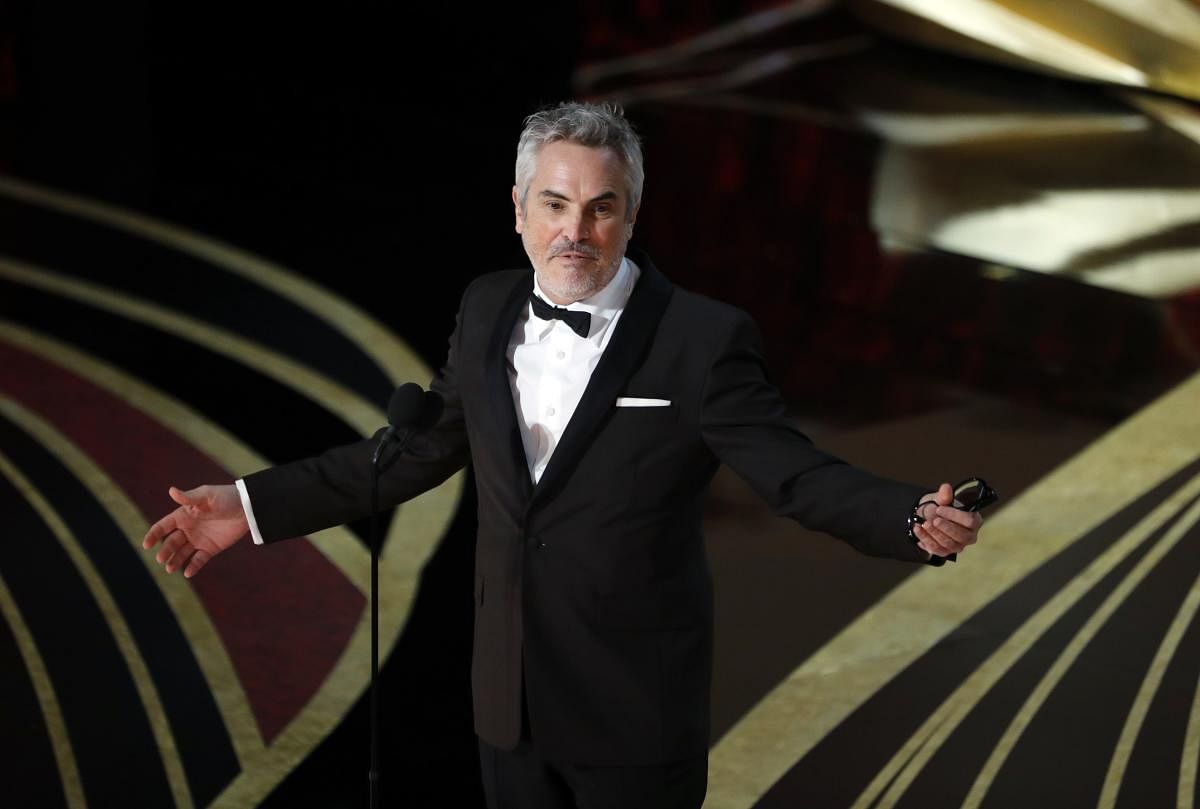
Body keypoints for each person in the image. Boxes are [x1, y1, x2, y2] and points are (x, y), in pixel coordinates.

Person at [142, 101, 983, 809]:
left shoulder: (701, 340)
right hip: (507, 706)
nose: (573, 231)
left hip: (635, 712)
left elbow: (792, 473)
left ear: (631, 215)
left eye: (600, 208)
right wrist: (248, 507)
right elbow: (409, 455)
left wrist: (909, 518)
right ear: (518, 208)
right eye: (553, 205)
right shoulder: (486, 307)